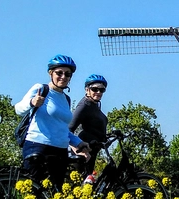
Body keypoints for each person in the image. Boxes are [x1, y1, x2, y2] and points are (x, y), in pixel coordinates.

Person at [15, 55, 90, 190]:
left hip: (60, 150)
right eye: (59, 73)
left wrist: (78, 142)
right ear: (50, 73)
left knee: (56, 192)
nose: (63, 77)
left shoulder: (66, 99)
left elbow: (62, 129)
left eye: (67, 74)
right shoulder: (41, 89)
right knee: (35, 191)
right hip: (38, 145)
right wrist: (32, 102)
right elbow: (18, 109)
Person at [69, 74, 109, 176]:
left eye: (102, 90)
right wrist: (79, 152)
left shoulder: (95, 105)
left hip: (93, 151)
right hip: (84, 153)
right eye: (95, 89)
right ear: (87, 90)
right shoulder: (84, 105)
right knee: (81, 184)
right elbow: (68, 130)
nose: (98, 92)